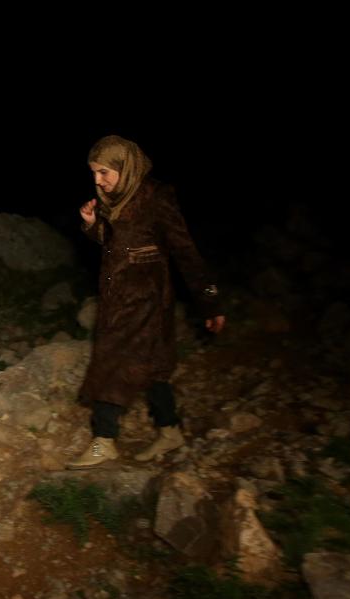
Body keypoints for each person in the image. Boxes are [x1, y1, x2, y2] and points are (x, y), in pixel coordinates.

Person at [68, 135, 225, 469]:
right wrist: (94, 226)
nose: (98, 181)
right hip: (116, 297)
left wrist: (209, 302)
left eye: (104, 173)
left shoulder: (156, 198)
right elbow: (117, 244)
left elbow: (185, 251)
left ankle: (104, 440)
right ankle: (170, 430)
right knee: (152, 365)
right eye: (94, 173)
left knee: (112, 363)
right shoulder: (113, 199)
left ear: (126, 167)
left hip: (147, 299)